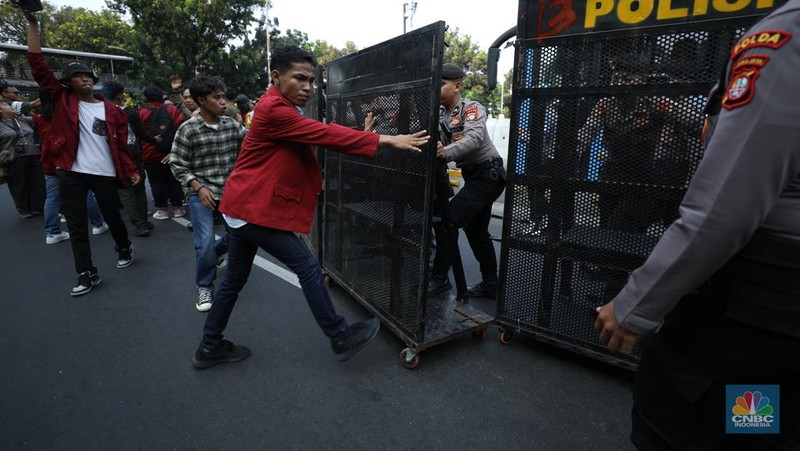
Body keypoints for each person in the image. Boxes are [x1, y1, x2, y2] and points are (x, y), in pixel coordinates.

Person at [594, 2, 800, 447]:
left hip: (759, 299)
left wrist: (634, 305)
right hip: (771, 309)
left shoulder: (785, 36)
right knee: (759, 422)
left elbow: (724, 207)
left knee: (689, 419)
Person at [191, 45, 429, 369]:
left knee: (234, 280)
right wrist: (386, 140)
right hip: (251, 208)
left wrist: (360, 136)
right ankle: (339, 334)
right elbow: (321, 133)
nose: (307, 87)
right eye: (299, 78)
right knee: (306, 265)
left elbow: (317, 136)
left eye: (311, 80)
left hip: (243, 205)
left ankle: (209, 346)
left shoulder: (282, 107)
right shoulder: (275, 109)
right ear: (276, 76)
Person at [24, 11, 140, 296]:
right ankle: (86, 273)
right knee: (77, 225)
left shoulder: (112, 110)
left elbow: (122, 145)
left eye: (87, 75)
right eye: (77, 76)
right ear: (67, 83)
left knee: (113, 217)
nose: (84, 79)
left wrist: (131, 169)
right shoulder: (63, 101)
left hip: (104, 173)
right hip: (71, 172)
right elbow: (37, 65)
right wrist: (33, 25)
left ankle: (123, 246)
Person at [428, 63, 507, 299]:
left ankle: (440, 278)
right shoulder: (440, 115)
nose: (436, 89)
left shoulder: (471, 108)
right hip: (474, 176)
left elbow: (473, 139)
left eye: (441, 84)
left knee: (448, 221)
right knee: (476, 232)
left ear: (457, 86)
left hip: (488, 175)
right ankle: (491, 283)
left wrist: (445, 152)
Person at [170, 76, 245, 312]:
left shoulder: (232, 125)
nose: (223, 102)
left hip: (231, 194)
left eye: (224, 97)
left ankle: (213, 254)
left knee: (239, 237)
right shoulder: (188, 129)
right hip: (199, 194)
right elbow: (178, 163)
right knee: (203, 242)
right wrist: (198, 188)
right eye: (217, 97)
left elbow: (252, 146)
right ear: (202, 101)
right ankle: (204, 286)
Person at [33, 89, 108, 244]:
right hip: (71, 162)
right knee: (86, 194)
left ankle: (52, 232)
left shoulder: (39, 118)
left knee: (52, 198)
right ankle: (98, 224)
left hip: (49, 162)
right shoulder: (68, 115)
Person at [102, 81, 155, 237]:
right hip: (133, 151)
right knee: (138, 188)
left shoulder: (100, 112)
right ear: (120, 96)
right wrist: (155, 140)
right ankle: (143, 221)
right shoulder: (130, 112)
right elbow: (141, 134)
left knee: (126, 190)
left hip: (115, 154)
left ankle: (139, 225)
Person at [138, 85, 185, 220]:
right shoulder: (172, 110)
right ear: (162, 96)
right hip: (171, 151)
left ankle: (162, 210)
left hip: (150, 153)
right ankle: (178, 208)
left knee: (156, 182)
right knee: (174, 181)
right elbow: (178, 128)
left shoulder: (142, 112)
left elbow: (139, 133)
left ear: (146, 98)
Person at [0, 102, 45, 218]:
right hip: (14, 157)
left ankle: (39, 207)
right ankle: (24, 209)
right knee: (19, 185)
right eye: (5, 105)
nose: (9, 106)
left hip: (33, 153)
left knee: (38, 182)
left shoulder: (23, 120)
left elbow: (42, 119)